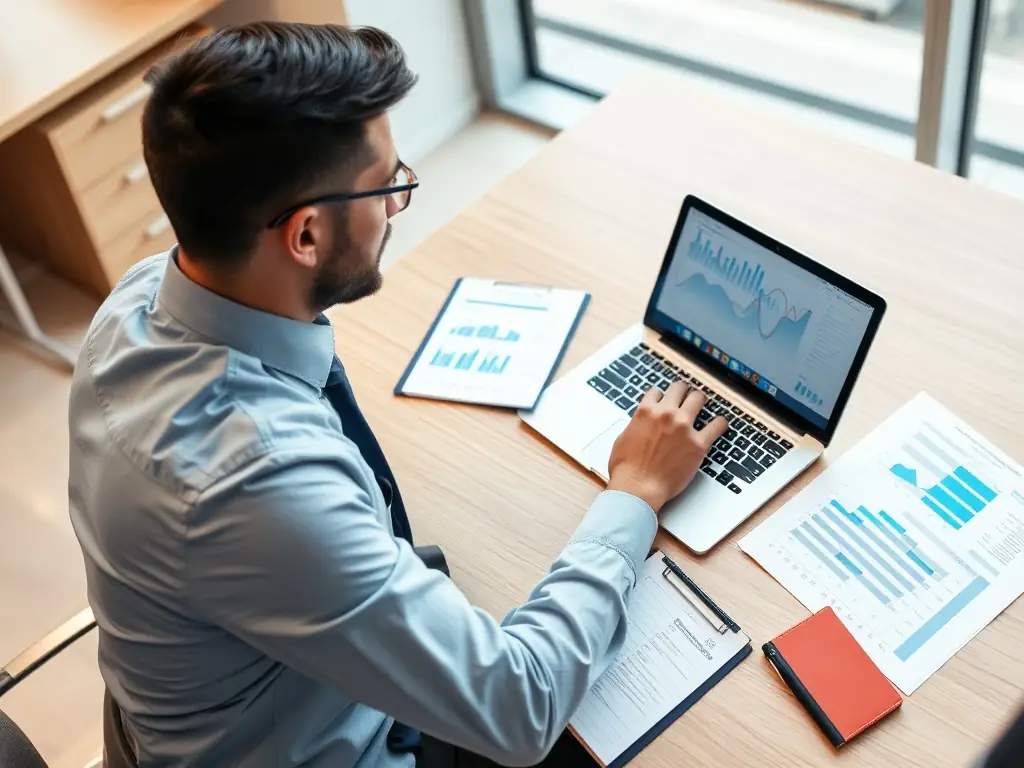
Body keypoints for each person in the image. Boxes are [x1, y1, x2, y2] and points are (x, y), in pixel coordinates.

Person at [67, 22, 728, 767]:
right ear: (306, 237)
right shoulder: (257, 486)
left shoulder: (137, 302)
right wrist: (634, 492)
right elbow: (521, 705)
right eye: (387, 185)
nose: (398, 200)